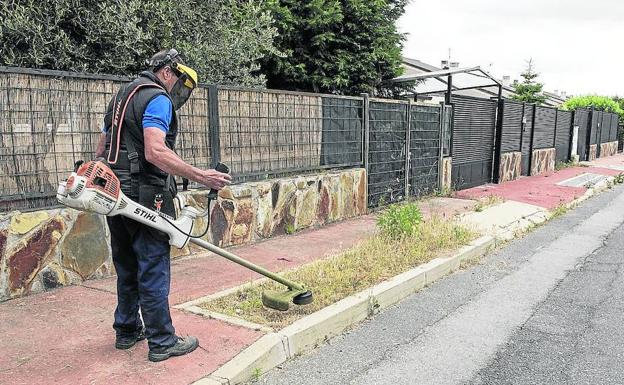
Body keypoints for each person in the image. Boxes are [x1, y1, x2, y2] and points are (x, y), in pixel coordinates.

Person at [94, 49, 231, 362]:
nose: (179, 90)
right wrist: (201, 176)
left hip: (115, 194)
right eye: (181, 82)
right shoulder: (157, 98)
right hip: (146, 195)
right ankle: (162, 342)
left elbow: (101, 148)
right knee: (152, 265)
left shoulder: (122, 95)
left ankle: (127, 330)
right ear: (168, 71)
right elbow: (155, 151)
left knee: (127, 264)